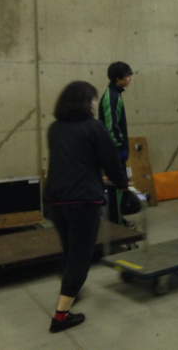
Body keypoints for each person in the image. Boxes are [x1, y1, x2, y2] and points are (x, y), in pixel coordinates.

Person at [44, 81, 128, 333]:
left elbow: (69, 160)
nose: (94, 103)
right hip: (83, 200)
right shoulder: (94, 127)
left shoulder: (55, 128)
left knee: (70, 250)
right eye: (92, 99)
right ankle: (61, 317)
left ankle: (71, 288)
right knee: (81, 258)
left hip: (55, 200)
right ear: (85, 102)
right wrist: (122, 185)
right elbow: (110, 161)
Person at [98, 61, 133, 225]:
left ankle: (117, 220)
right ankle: (117, 224)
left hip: (114, 150)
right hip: (114, 151)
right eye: (127, 76)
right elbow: (111, 127)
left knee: (117, 188)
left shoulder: (115, 94)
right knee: (117, 188)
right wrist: (119, 148)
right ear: (117, 78)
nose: (130, 78)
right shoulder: (112, 97)